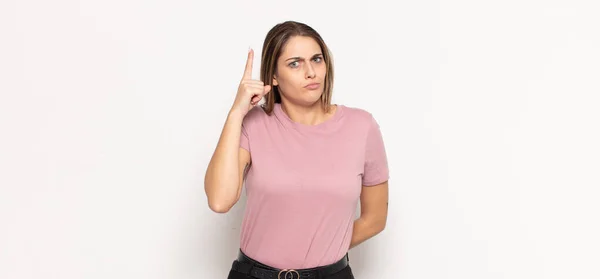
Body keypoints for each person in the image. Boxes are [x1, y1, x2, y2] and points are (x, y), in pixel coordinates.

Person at [204, 20, 390, 279]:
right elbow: (220, 200)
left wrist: (320, 253)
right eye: (295, 63)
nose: (311, 72)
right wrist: (236, 113)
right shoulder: (253, 124)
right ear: (274, 76)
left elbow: (375, 218)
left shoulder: (362, 127)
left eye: (316, 59)